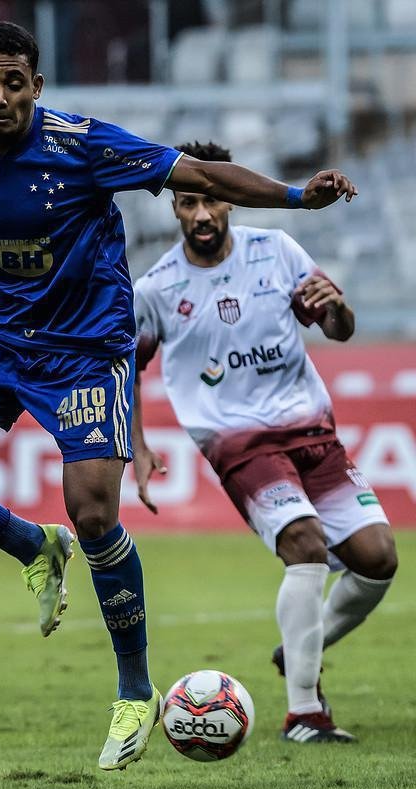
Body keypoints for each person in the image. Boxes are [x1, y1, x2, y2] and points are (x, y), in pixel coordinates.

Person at [0, 22, 357, 769]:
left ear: (36, 87)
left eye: (14, 83)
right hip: (3, 340)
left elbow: (199, 174)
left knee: (95, 512)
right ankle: (30, 544)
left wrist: (296, 197)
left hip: (88, 351)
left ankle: (135, 690)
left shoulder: (83, 144)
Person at [132, 139, 397, 744]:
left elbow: (339, 328)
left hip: (311, 429)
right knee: (304, 544)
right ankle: (305, 712)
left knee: (379, 559)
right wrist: (137, 446)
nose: (202, 214)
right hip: (237, 441)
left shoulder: (276, 250)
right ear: (174, 208)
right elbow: (128, 367)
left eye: (213, 200)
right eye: (189, 202)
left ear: (231, 199)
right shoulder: (156, 288)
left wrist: (338, 307)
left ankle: (300, 647)